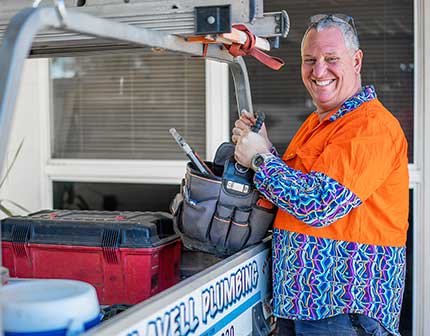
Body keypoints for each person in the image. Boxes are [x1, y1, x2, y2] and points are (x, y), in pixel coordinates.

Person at [232, 14, 409, 336]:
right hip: (301, 305)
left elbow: (320, 205)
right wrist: (265, 149)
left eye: (331, 59)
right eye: (309, 60)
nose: (318, 71)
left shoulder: (370, 127)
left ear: (356, 61)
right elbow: (296, 189)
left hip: (343, 311)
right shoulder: (320, 122)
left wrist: (259, 159)